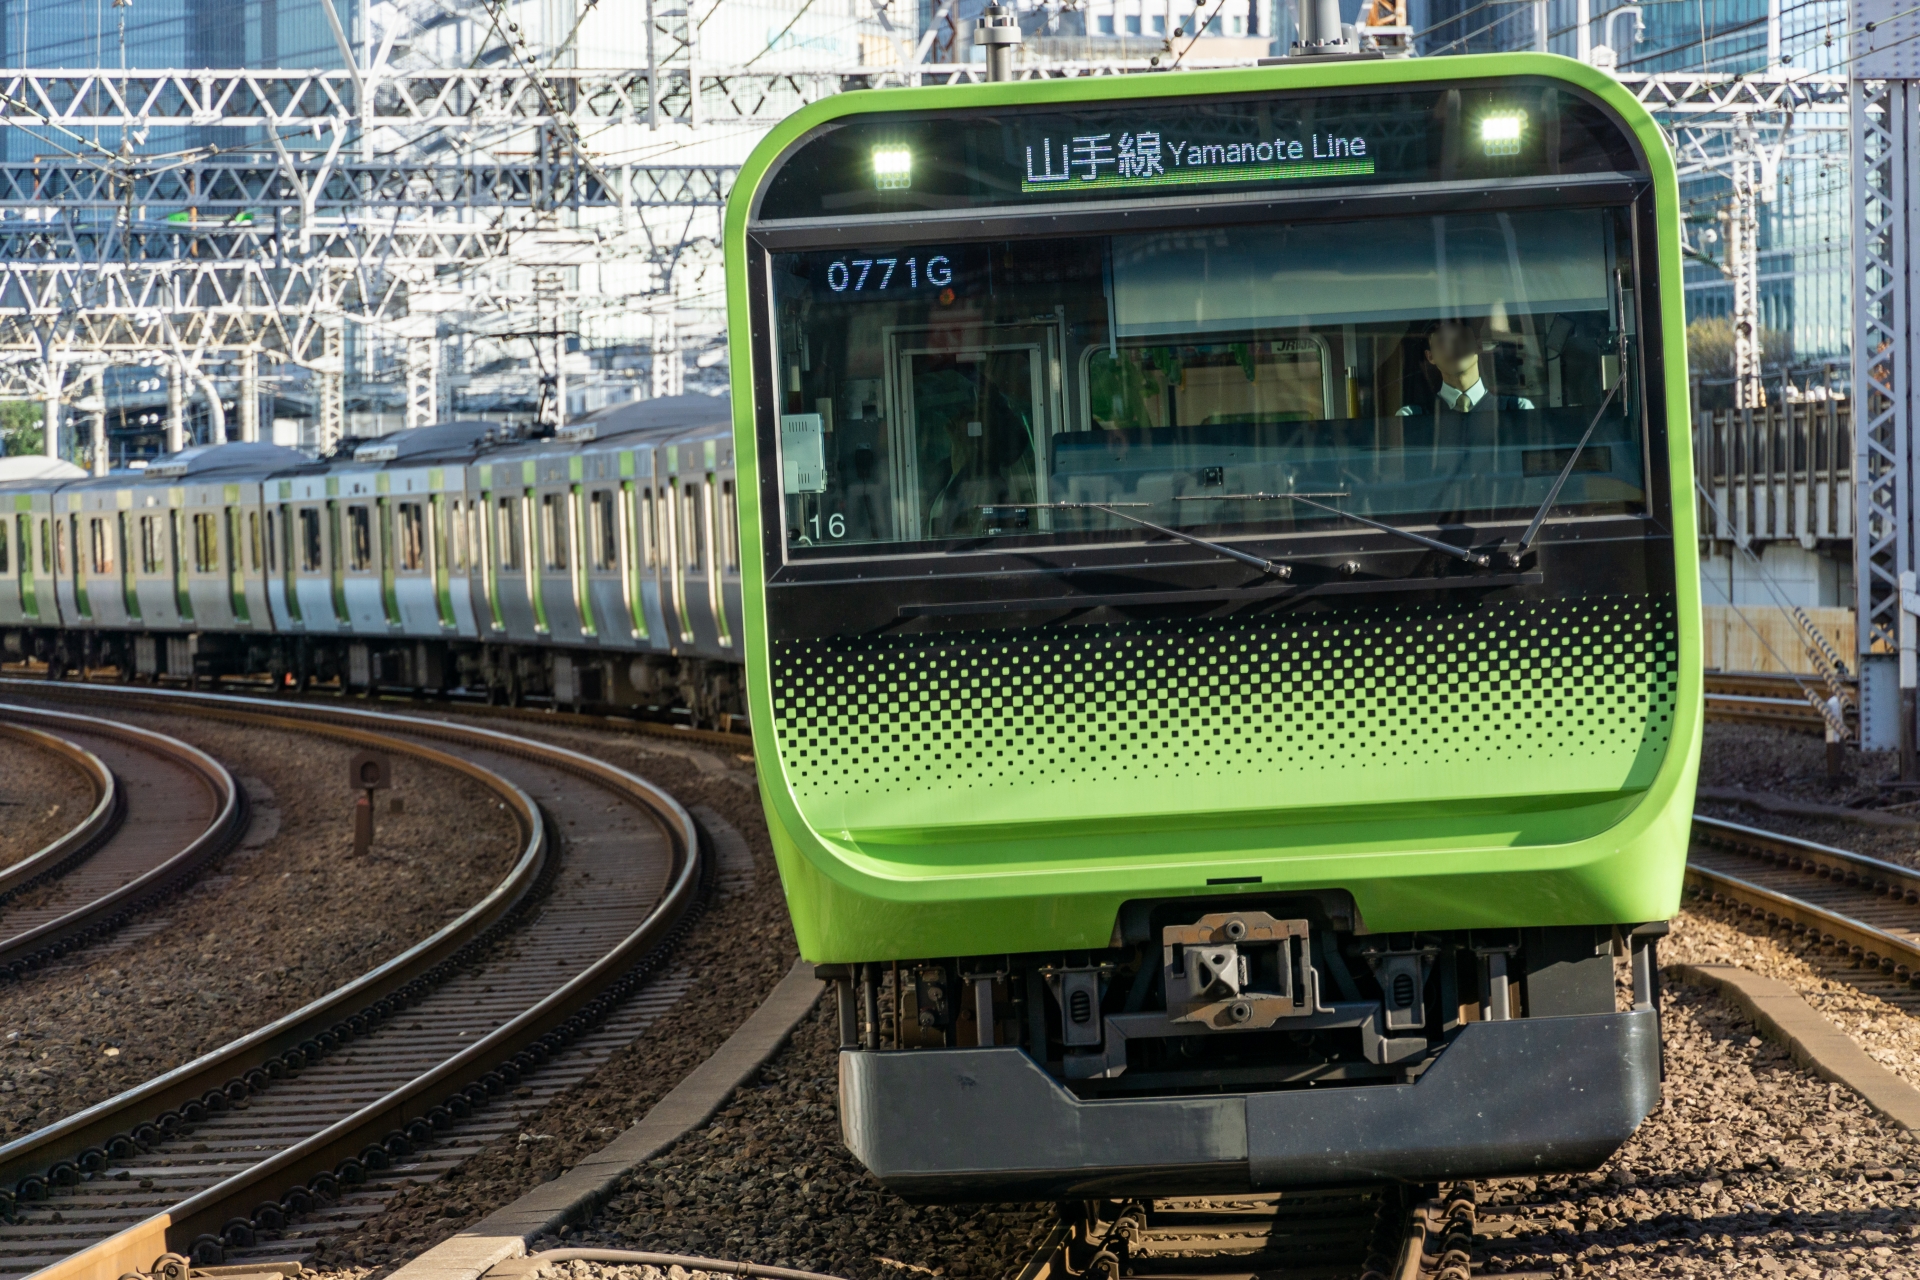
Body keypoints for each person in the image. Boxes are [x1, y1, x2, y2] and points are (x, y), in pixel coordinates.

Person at [1398, 318, 1535, 415]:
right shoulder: (1412, 416)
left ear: (1478, 346)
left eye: (1462, 336)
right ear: (1430, 357)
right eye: (1442, 340)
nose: (1453, 346)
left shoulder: (1519, 408)